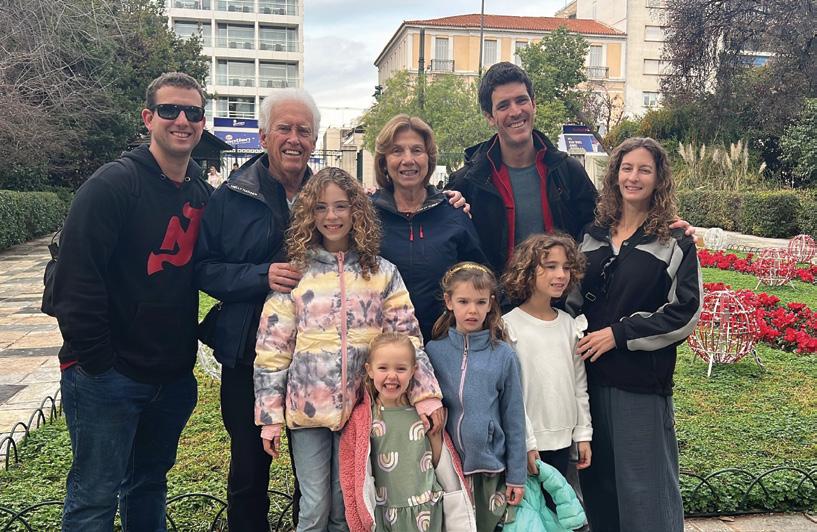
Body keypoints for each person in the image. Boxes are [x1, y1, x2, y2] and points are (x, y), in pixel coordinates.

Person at [53, 72, 210, 530]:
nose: (182, 120)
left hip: (171, 377)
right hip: (108, 377)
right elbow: (75, 281)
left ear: (203, 123)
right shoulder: (113, 185)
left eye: (193, 113)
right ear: (148, 118)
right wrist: (99, 363)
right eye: (169, 110)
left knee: (148, 485)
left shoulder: (200, 192)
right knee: (94, 497)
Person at [254, 167, 444, 531]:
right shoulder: (297, 274)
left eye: (341, 206)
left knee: (348, 505)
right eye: (321, 207)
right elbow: (272, 350)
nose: (332, 216)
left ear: (357, 211)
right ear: (309, 214)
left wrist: (426, 396)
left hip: (361, 409)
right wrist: (269, 417)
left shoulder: (382, 273)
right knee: (314, 506)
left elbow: (407, 338)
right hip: (307, 412)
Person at [195, 88, 321, 531]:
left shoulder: (329, 195)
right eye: (284, 128)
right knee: (249, 471)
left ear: (315, 140)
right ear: (264, 137)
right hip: (248, 354)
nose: (294, 139)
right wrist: (260, 276)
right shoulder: (232, 195)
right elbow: (203, 269)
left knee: (317, 476)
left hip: (317, 358)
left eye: (304, 130)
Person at [571, 137, 702, 532]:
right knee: (598, 491)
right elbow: (570, 299)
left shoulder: (675, 241)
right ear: (615, 175)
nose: (634, 177)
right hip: (588, 383)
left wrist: (619, 334)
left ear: (659, 178)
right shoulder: (591, 235)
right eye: (627, 168)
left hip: (640, 385)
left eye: (645, 170)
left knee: (647, 495)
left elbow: (685, 312)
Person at [447, 62, 598, 276]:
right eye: (503, 106)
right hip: (495, 295)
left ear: (534, 104)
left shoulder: (568, 172)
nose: (516, 111)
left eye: (521, 100)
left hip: (560, 294)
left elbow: (595, 229)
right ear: (489, 117)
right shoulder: (467, 184)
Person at [338, 332, 477, 532]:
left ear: (413, 371)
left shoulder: (423, 414)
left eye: (401, 368)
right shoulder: (363, 419)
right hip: (388, 515)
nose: (392, 376)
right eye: (383, 368)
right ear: (369, 370)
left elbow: (440, 461)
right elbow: (353, 473)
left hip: (428, 512)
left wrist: (435, 436)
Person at [426, 262, 527, 532]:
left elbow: (515, 418)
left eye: (480, 302)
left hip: (490, 469)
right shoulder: (433, 352)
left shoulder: (503, 355)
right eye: (463, 301)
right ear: (449, 301)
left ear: (490, 303)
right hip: (447, 468)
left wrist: (517, 476)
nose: (472, 310)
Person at [372, 114, 487, 342]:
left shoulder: (454, 213)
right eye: (397, 151)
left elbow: (480, 279)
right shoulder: (367, 216)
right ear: (383, 161)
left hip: (444, 345)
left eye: (417, 150)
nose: (408, 160)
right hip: (383, 350)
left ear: (429, 158)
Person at [500, 234, 592, 507]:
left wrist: (583, 434)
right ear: (528, 270)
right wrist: (526, 442)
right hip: (528, 444)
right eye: (550, 266)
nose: (561, 274)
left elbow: (579, 385)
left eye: (566, 267)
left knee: (560, 513)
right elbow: (510, 394)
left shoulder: (569, 325)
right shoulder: (508, 326)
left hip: (564, 442)